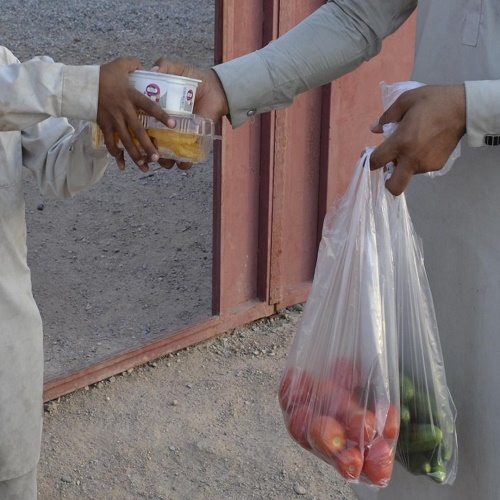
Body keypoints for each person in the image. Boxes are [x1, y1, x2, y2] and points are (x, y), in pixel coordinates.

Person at [154, 1, 500, 499]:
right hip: (429, 235)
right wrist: (228, 86)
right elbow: (360, 14)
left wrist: (472, 109)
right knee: (412, 443)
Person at [0, 46, 174, 499]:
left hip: (6, 347)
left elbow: (60, 167)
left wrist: (106, 127)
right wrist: (89, 88)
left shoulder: (4, 64)